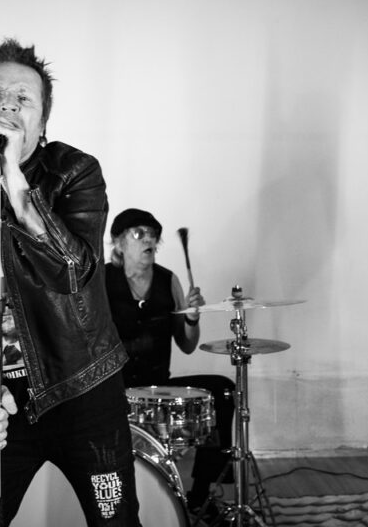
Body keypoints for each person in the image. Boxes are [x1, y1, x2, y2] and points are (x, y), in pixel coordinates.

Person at [0, 39, 140, 526]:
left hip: (83, 388)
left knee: (115, 521)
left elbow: (72, 271)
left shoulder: (76, 172)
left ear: (42, 121)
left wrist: (16, 183)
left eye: (23, 99)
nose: (8, 107)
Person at [105, 208, 236, 515]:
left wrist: (192, 318)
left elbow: (187, 345)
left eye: (153, 235)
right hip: (114, 388)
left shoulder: (168, 280)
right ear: (120, 243)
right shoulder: (100, 280)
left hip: (156, 387)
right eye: (139, 234)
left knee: (223, 391)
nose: (148, 240)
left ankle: (200, 495)